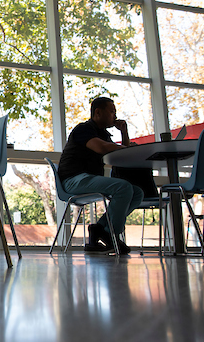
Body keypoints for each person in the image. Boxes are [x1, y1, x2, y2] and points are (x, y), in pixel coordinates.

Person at [57, 97, 144, 254]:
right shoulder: (84, 129)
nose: (115, 116)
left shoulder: (103, 133)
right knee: (123, 187)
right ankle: (111, 234)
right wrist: (124, 148)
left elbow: (121, 153)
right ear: (98, 112)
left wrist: (124, 132)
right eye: (111, 111)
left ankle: (100, 229)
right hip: (73, 180)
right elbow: (101, 147)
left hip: (86, 180)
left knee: (137, 192)